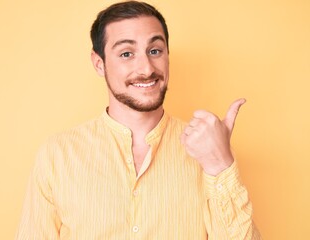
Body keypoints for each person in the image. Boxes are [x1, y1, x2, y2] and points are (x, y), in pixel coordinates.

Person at [15, 1, 261, 239]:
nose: (146, 68)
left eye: (155, 51)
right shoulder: (57, 154)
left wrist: (220, 165)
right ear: (99, 64)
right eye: (126, 53)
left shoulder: (208, 150)